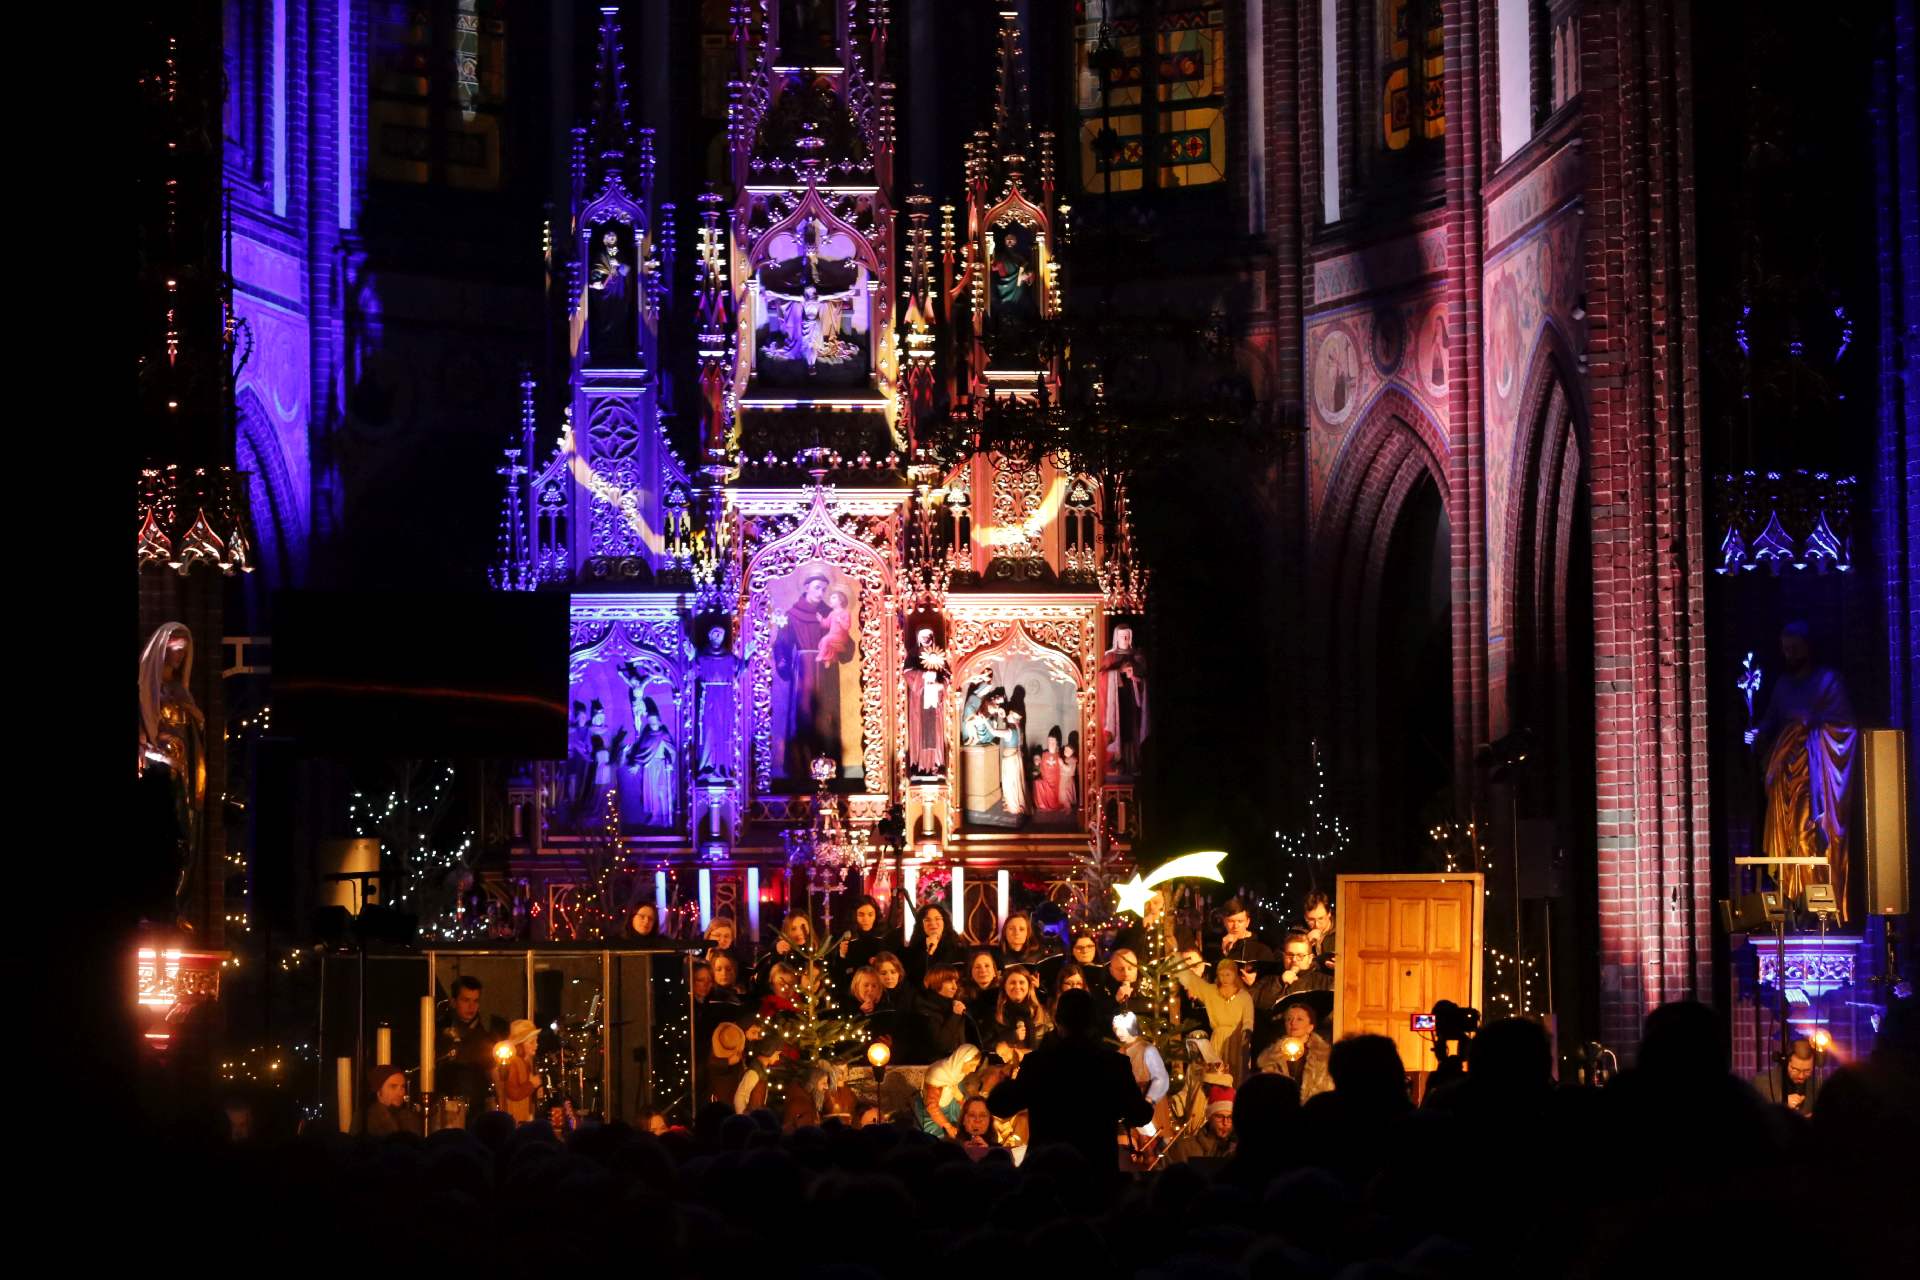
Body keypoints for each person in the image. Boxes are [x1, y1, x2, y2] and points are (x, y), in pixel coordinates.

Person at [1746, 622, 1858, 918]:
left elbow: (1847, 727)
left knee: (1806, 832)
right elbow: (1771, 720)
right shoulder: (1783, 685)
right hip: (1784, 774)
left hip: (1814, 774)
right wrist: (1756, 733)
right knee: (1786, 839)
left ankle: (1815, 906)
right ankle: (1793, 902)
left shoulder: (1828, 681)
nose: (1789, 654)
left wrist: (1811, 727)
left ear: (1808, 646)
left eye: (1794, 648)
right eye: (1785, 649)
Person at [987, 988, 1152, 1177]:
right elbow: (1141, 1115)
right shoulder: (1114, 1063)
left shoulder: (1038, 1063)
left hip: (1047, 1172)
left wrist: (1005, 1080)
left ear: (1057, 1021)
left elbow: (999, 1105)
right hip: (1096, 1170)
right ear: (1093, 1022)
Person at [773, 568, 852, 779]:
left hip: (827, 668)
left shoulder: (830, 613)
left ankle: (829, 768)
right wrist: (783, 664)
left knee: (827, 716)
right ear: (806, 587)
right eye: (818, 588)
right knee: (805, 714)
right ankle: (800, 768)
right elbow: (781, 644)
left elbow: (846, 641)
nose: (821, 593)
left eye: (825, 589)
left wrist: (843, 646)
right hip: (805, 669)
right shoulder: (792, 615)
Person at [1175, 954, 1256, 1083]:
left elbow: (1248, 1018)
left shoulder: (1244, 996)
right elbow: (1193, 982)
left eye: (1228, 974)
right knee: (1216, 1074)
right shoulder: (1211, 992)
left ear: (1235, 974)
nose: (1224, 978)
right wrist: (1176, 959)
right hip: (1218, 1039)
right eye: (1221, 975)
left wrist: (1246, 1032)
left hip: (1236, 1039)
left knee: (1236, 1074)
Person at [437, 975, 507, 1116]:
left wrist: (502, 1104)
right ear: (454, 1002)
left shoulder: (485, 1034)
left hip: (477, 1107)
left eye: (475, 1001)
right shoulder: (439, 1031)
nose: (471, 1006)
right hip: (445, 1106)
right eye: (466, 1000)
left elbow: (494, 1071)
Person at [1114, 1011, 1171, 1163]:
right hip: (1131, 1102)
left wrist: (1148, 1100)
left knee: (1152, 1148)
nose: (1118, 1033)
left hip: (1149, 1103)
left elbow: (1161, 1078)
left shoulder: (1148, 1049)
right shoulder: (1120, 1052)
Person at [1255, 998, 1333, 1103]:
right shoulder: (1272, 1057)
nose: (1293, 1023)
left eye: (1299, 1019)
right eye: (1289, 1019)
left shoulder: (1324, 1056)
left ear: (1310, 1027)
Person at [903, 964, 972, 1064]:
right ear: (936, 982)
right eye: (949, 981)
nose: (955, 987)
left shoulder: (953, 1006)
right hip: (936, 1067)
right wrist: (955, 1016)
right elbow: (942, 1045)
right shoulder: (924, 1009)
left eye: (955, 982)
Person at [917, 1044, 980, 1139]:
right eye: (972, 1065)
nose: (974, 1069)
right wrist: (948, 1126)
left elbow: (961, 1097)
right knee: (939, 1138)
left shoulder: (957, 1073)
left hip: (950, 1109)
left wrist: (960, 1098)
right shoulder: (938, 1074)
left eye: (976, 1066)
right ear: (961, 1061)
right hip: (933, 1115)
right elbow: (932, 1107)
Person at [1751, 1039, 1823, 1117]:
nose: (1801, 1076)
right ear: (1785, 1063)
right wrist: (1782, 1105)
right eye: (1795, 1070)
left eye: (1807, 1071)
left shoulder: (1817, 1085)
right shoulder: (1761, 1082)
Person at [1167, 1086, 1236, 1165]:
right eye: (1219, 1117)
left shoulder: (1236, 1150)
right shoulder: (1184, 1148)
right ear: (1209, 1117)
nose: (1225, 1122)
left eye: (1229, 1117)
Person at [904, 901, 963, 987]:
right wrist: (929, 952)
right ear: (921, 925)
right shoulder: (913, 949)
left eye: (937, 918)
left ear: (944, 922)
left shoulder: (957, 945)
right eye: (927, 920)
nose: (933, 923)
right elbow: (914, 979)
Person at [494, 1019, 541, 1123]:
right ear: (520, 1045)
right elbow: (513, 1093)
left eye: (536, 1041)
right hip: (514, 1117)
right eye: (532, 1042)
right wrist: (532, 1084)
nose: (536, 1045)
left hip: (523, 1116)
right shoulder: (514, 1063)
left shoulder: (527, 1063)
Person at [1214, 898, 1273, 970]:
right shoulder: (1216, 946)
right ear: (1224, 922)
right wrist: (1224, 953)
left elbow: (1269, 978)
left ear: (1247, 922)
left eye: (1240, 921)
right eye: (1231, 921)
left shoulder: (1262, 948)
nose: (1235, 926)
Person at [363, 1064, 422, 1137]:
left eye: (402, 1087)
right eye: (393, 1087)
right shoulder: (364, 1119)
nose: (400, 1093)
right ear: (379, 1091)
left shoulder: (409, 1118)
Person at [1303, 892, 1337, 973]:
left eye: (1321, 918)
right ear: (1305, 917)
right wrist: (1306, 943)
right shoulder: (1299, 931)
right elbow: (1283, 958)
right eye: (1311, 920)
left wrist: (1342, 966)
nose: (1317, 925)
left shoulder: (1342, 931)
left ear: (1329, 913)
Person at [957, 1095, 999, 1159]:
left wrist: (987, 1153)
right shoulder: (952, 1149)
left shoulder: (1000, 1152)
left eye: (983, 1115)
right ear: (964, 1120)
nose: (977, 1120)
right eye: (972, 1115)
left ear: (990, 1121)